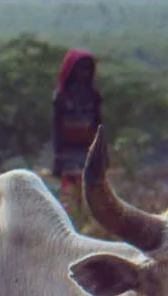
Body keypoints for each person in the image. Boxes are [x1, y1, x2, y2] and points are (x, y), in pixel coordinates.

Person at [51, 49, 102, 197]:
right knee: (71, 189)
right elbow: (57, 127)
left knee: (89, 188)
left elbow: (99, 124)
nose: (84, 73)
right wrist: (58, 155)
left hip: (88, 148)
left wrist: (100, 150)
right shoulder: (61, 97)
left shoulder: (93, 96)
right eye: (80, 68)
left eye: (87, 69)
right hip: (68, 151)